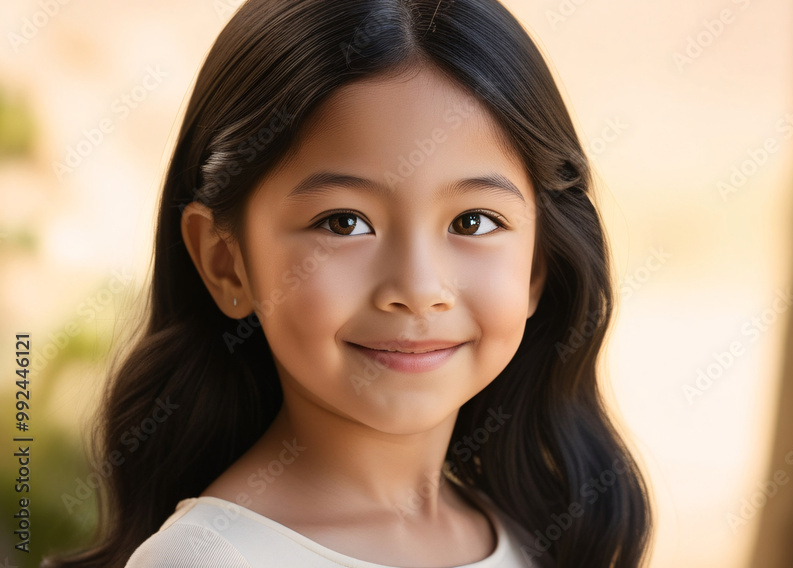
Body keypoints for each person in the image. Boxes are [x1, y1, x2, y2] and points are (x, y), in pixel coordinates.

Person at [42, 1, 652, 566]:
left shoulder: (537, 538)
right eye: (344, 222)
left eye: (474, 222)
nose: (417, 288)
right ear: (226, 262)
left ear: (537, 267)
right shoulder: (206, 560)